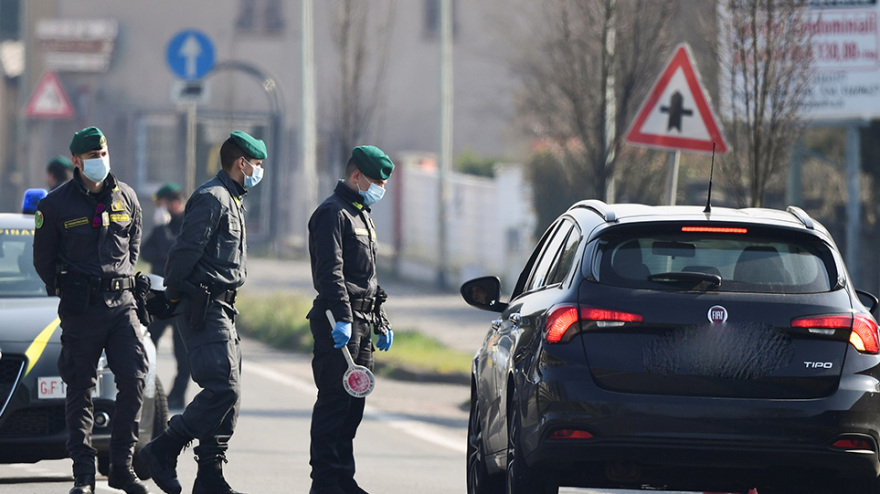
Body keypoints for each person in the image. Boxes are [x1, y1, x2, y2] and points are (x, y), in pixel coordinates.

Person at [138, 130, 267, 494]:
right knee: (222, 388)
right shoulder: (213, 198)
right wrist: (173, 297)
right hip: (203, 305)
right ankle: (163, 449)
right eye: (257, 164)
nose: (259, 171)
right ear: (241, 163)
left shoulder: (232, 198)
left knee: (230, 394)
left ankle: (210, 474)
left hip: (223, 306)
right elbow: (183, 253)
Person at [32, 127, 149, 494]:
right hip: (82, 310)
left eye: (103, 153)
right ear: (77, 161)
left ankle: (121, 465)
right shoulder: (55, 205)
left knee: (134, 379)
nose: (100, 160)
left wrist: (119, 281)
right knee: (80, 387)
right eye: (92, 156)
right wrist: (69, 290)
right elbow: (43, 260)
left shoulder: (127, 197)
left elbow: (132, 247)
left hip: (122, 307)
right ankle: (83, 474)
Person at [307, 145, 395, 494]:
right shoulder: (333, 213)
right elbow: (330, 273)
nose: (381, 189)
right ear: (356, 176)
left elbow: (366, 277)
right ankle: (325, 483)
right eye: (377, 182)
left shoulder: (362, 215)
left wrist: (381, 320)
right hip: (337, 322)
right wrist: (344, 318)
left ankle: (344, 479)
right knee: (334, 404)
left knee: (353, 407)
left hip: (361, 322)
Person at [141, 183, 191, 410]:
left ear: (174, 203)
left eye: (162, 205)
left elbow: (172, 252)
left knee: (182, 351)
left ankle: (178, 395)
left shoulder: (189, 223)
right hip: (159, 295)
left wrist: (162, 231)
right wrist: (162, 235)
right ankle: (145, 389)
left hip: (181, 296)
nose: (160, 211)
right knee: (146, 342)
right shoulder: (164, 225)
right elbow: (146, 251)